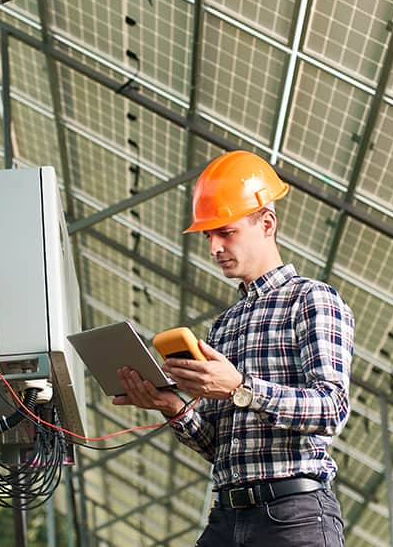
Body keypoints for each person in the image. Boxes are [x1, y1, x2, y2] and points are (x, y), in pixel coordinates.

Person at [113, 150, 354, 546]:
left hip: (294, 518)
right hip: (227, 517)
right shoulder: (224, 326)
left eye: (226, 232)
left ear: (267, 223)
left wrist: (242, 388)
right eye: (209, 235)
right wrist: (172, 407)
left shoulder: (312, 300)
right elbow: (219, 446)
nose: (214, 247)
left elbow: (331, 409)